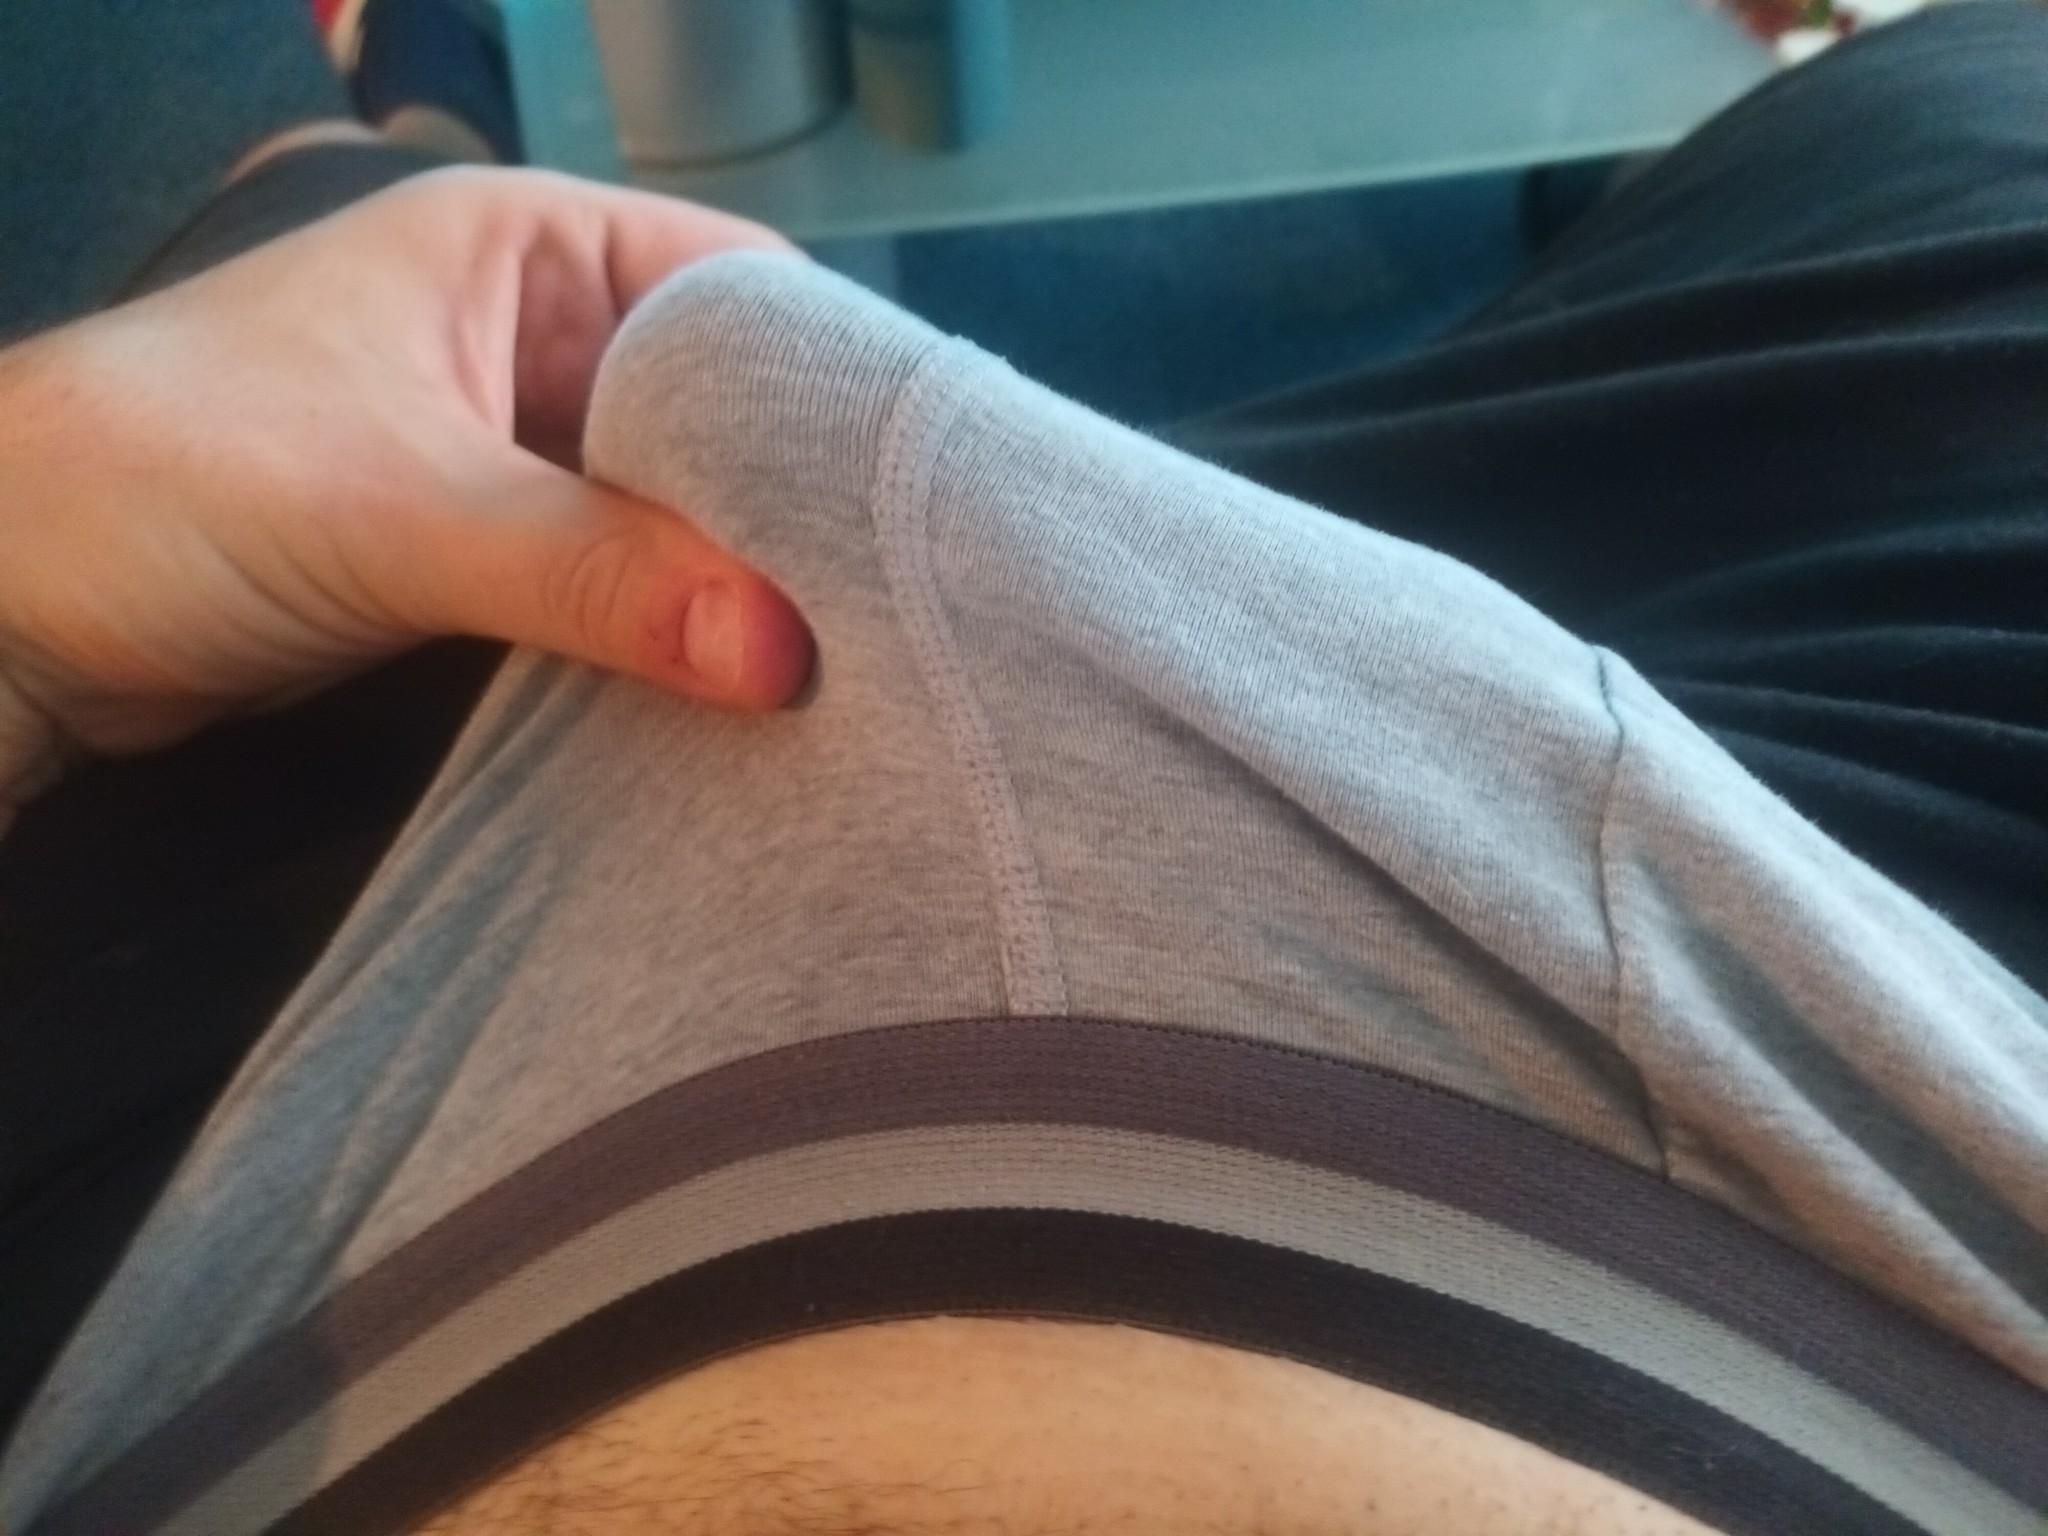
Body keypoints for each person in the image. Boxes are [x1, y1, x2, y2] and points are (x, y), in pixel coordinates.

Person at [2, 4, 2045, 1535]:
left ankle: (368, 135)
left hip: (234, 930)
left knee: (266, 178)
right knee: (1964, 107)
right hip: (1838, 993)